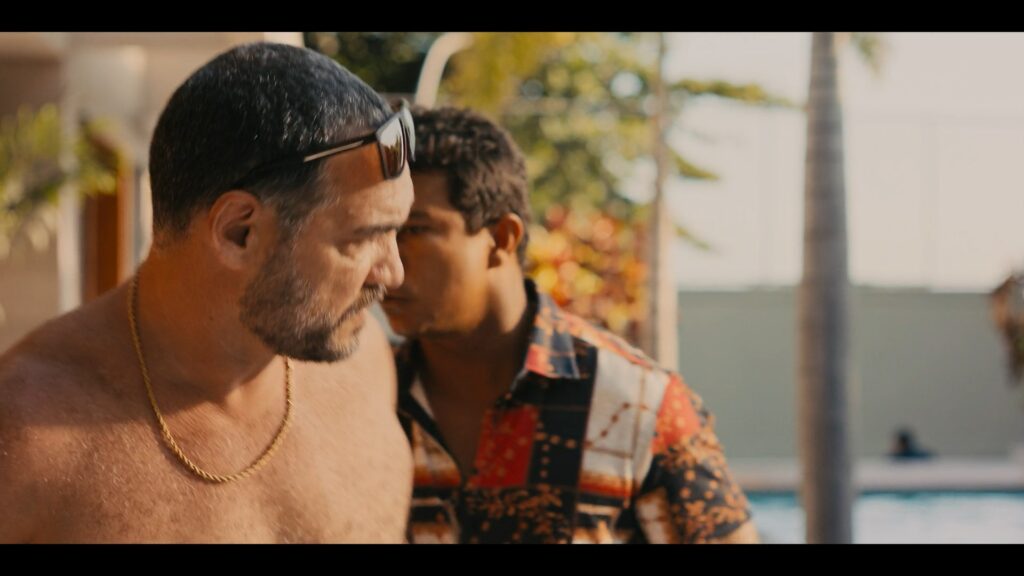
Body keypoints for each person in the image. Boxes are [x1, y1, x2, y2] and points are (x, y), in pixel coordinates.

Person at [0, 42, 415, 543]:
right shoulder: (25, 435)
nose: (393, 273)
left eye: (397, 232)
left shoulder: (364, 367)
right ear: (239, 232)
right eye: (363, 238)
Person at [383, 105, 759, 544]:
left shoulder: (642, 404)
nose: (386, 260)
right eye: (378, 231)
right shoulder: (366, 401)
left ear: (501, 238)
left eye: (414, 231)